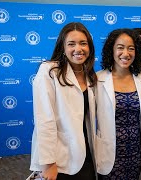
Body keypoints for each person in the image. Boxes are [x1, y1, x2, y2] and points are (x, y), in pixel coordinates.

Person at [30, 22, 98, 180]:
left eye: (83, 43)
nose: (78, 49)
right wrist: (48, 163)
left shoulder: (90, 75)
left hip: (86, 155)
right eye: (71, 44)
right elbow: (45, 120)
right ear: (63, 47)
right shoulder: (49, 71)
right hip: (60, 157)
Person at [95, 28, 141, 180]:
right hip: (110, 152)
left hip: (135, 153)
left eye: (131, 48)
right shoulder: (97, 80)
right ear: (111, 50)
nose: (126, 53)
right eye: (120, 47)